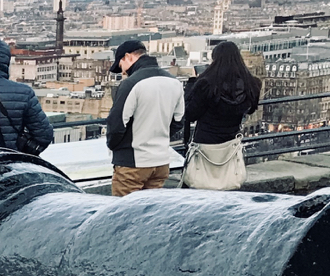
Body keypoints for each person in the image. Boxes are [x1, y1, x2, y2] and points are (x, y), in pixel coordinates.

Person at [105, 40, 186, 196]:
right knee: (149, 213)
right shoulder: (174, 82)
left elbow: (116, 124)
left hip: (132, 163)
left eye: (120, 65)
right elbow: (178, 121)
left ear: (128, 57)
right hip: (161, 161)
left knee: (123, 213)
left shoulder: (131, 83)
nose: (122, 72)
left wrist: (117, 148)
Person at [182, 41, 262, 190]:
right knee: (227, 186)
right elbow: (250, 110)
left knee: (197, 187)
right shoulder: (252, 84)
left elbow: (190, 113)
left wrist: (192, 85)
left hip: (205, 142)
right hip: (230, 142)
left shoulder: (206, 85)